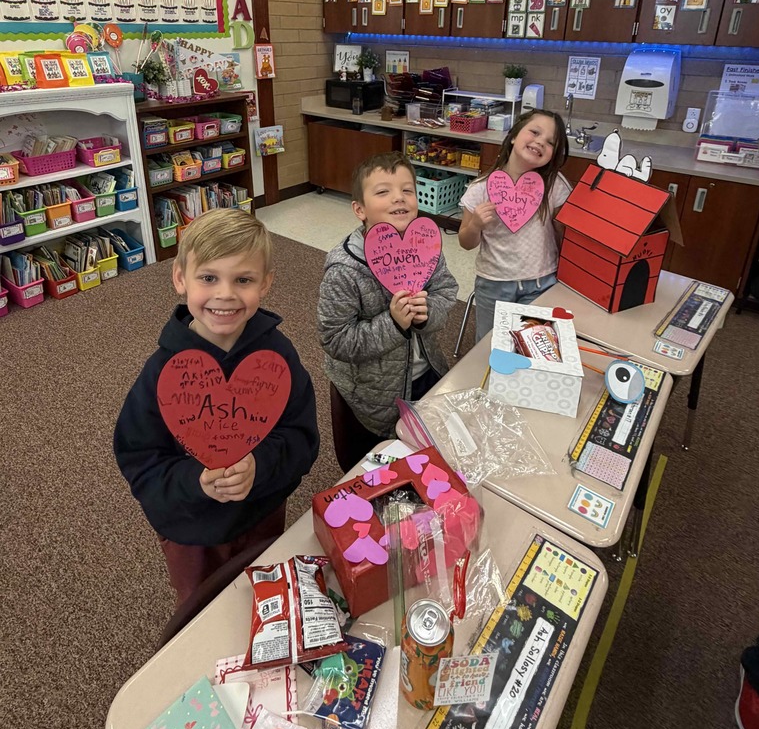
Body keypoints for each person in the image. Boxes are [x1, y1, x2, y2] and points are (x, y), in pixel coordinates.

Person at [114, 209, 320, 606]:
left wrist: (259, 465)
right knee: (201, 606)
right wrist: (196, 480)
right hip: (193, 529)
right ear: (180, 279)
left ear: (266, 284)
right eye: (208, 278)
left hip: (262, 511)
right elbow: (139, 459)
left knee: (267, 597)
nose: (225, 294)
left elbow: (301, 437)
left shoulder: (277, 355)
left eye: (243, 279)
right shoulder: (162, 372)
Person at [317, 151, 458, 472]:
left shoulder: (426, 247)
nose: (399, 198)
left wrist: (427, 312)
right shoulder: (344, 269)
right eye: (383, 191)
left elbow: (446, 291)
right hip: (372, 396)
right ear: (359, 210)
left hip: (426, 376)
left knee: (425, 456)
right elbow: (335, 340)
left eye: (407, 190)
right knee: (374, 468)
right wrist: (393, 324)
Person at [458, 109, 570, 342]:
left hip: (542, 282)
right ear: (513, 136)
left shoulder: (555, 186)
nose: (540, 142)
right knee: (491, 345)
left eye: (550, 142)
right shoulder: (480, 188)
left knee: (534, 347)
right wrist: (476, 224)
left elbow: (566, 235)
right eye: (535, 132)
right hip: (494, 284)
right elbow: (465, 242)